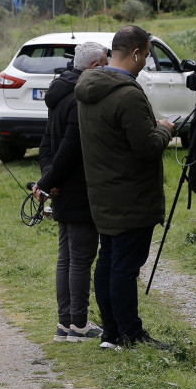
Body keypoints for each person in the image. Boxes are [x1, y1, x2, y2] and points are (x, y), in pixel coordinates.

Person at [74, 25, 176, 350]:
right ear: (135, 53)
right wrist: (164, 130)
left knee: (108, 261)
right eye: (146, 54)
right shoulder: (128, 94)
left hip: (102, 192)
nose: (146, 60)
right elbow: (145, 147)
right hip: (132, 196)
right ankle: (130, 334)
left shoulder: (89, 87)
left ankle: (112, 334)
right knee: (124, 267)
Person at [35, 42, 109, 344]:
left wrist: (48, 178)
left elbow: (46, 144)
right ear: (93, 67)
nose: (107, 68)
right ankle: (78, 323)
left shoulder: (59, 90)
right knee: (79, 258)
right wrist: (51, 180)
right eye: (104, 63)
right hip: (78, 187)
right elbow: (69, 147)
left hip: (61, 184)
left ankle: (65, 323)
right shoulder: (81, 99)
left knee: (66, 256)